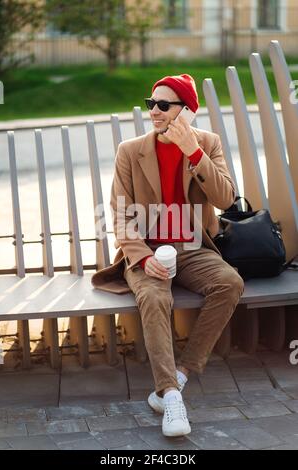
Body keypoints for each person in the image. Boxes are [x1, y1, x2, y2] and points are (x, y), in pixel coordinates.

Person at [92, 74, 244, 437]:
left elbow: (226, 199)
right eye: (151, 104)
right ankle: (171, 396)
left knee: (229, 283)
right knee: (154, 296)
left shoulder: (208, 143)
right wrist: (143, 259)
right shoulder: (130, 151)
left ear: (186, 111)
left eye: (163, 105)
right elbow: (120, 215)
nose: (154, 112)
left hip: (193, 249)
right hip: (146, 250)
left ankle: (181, 374)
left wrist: (194, 152)